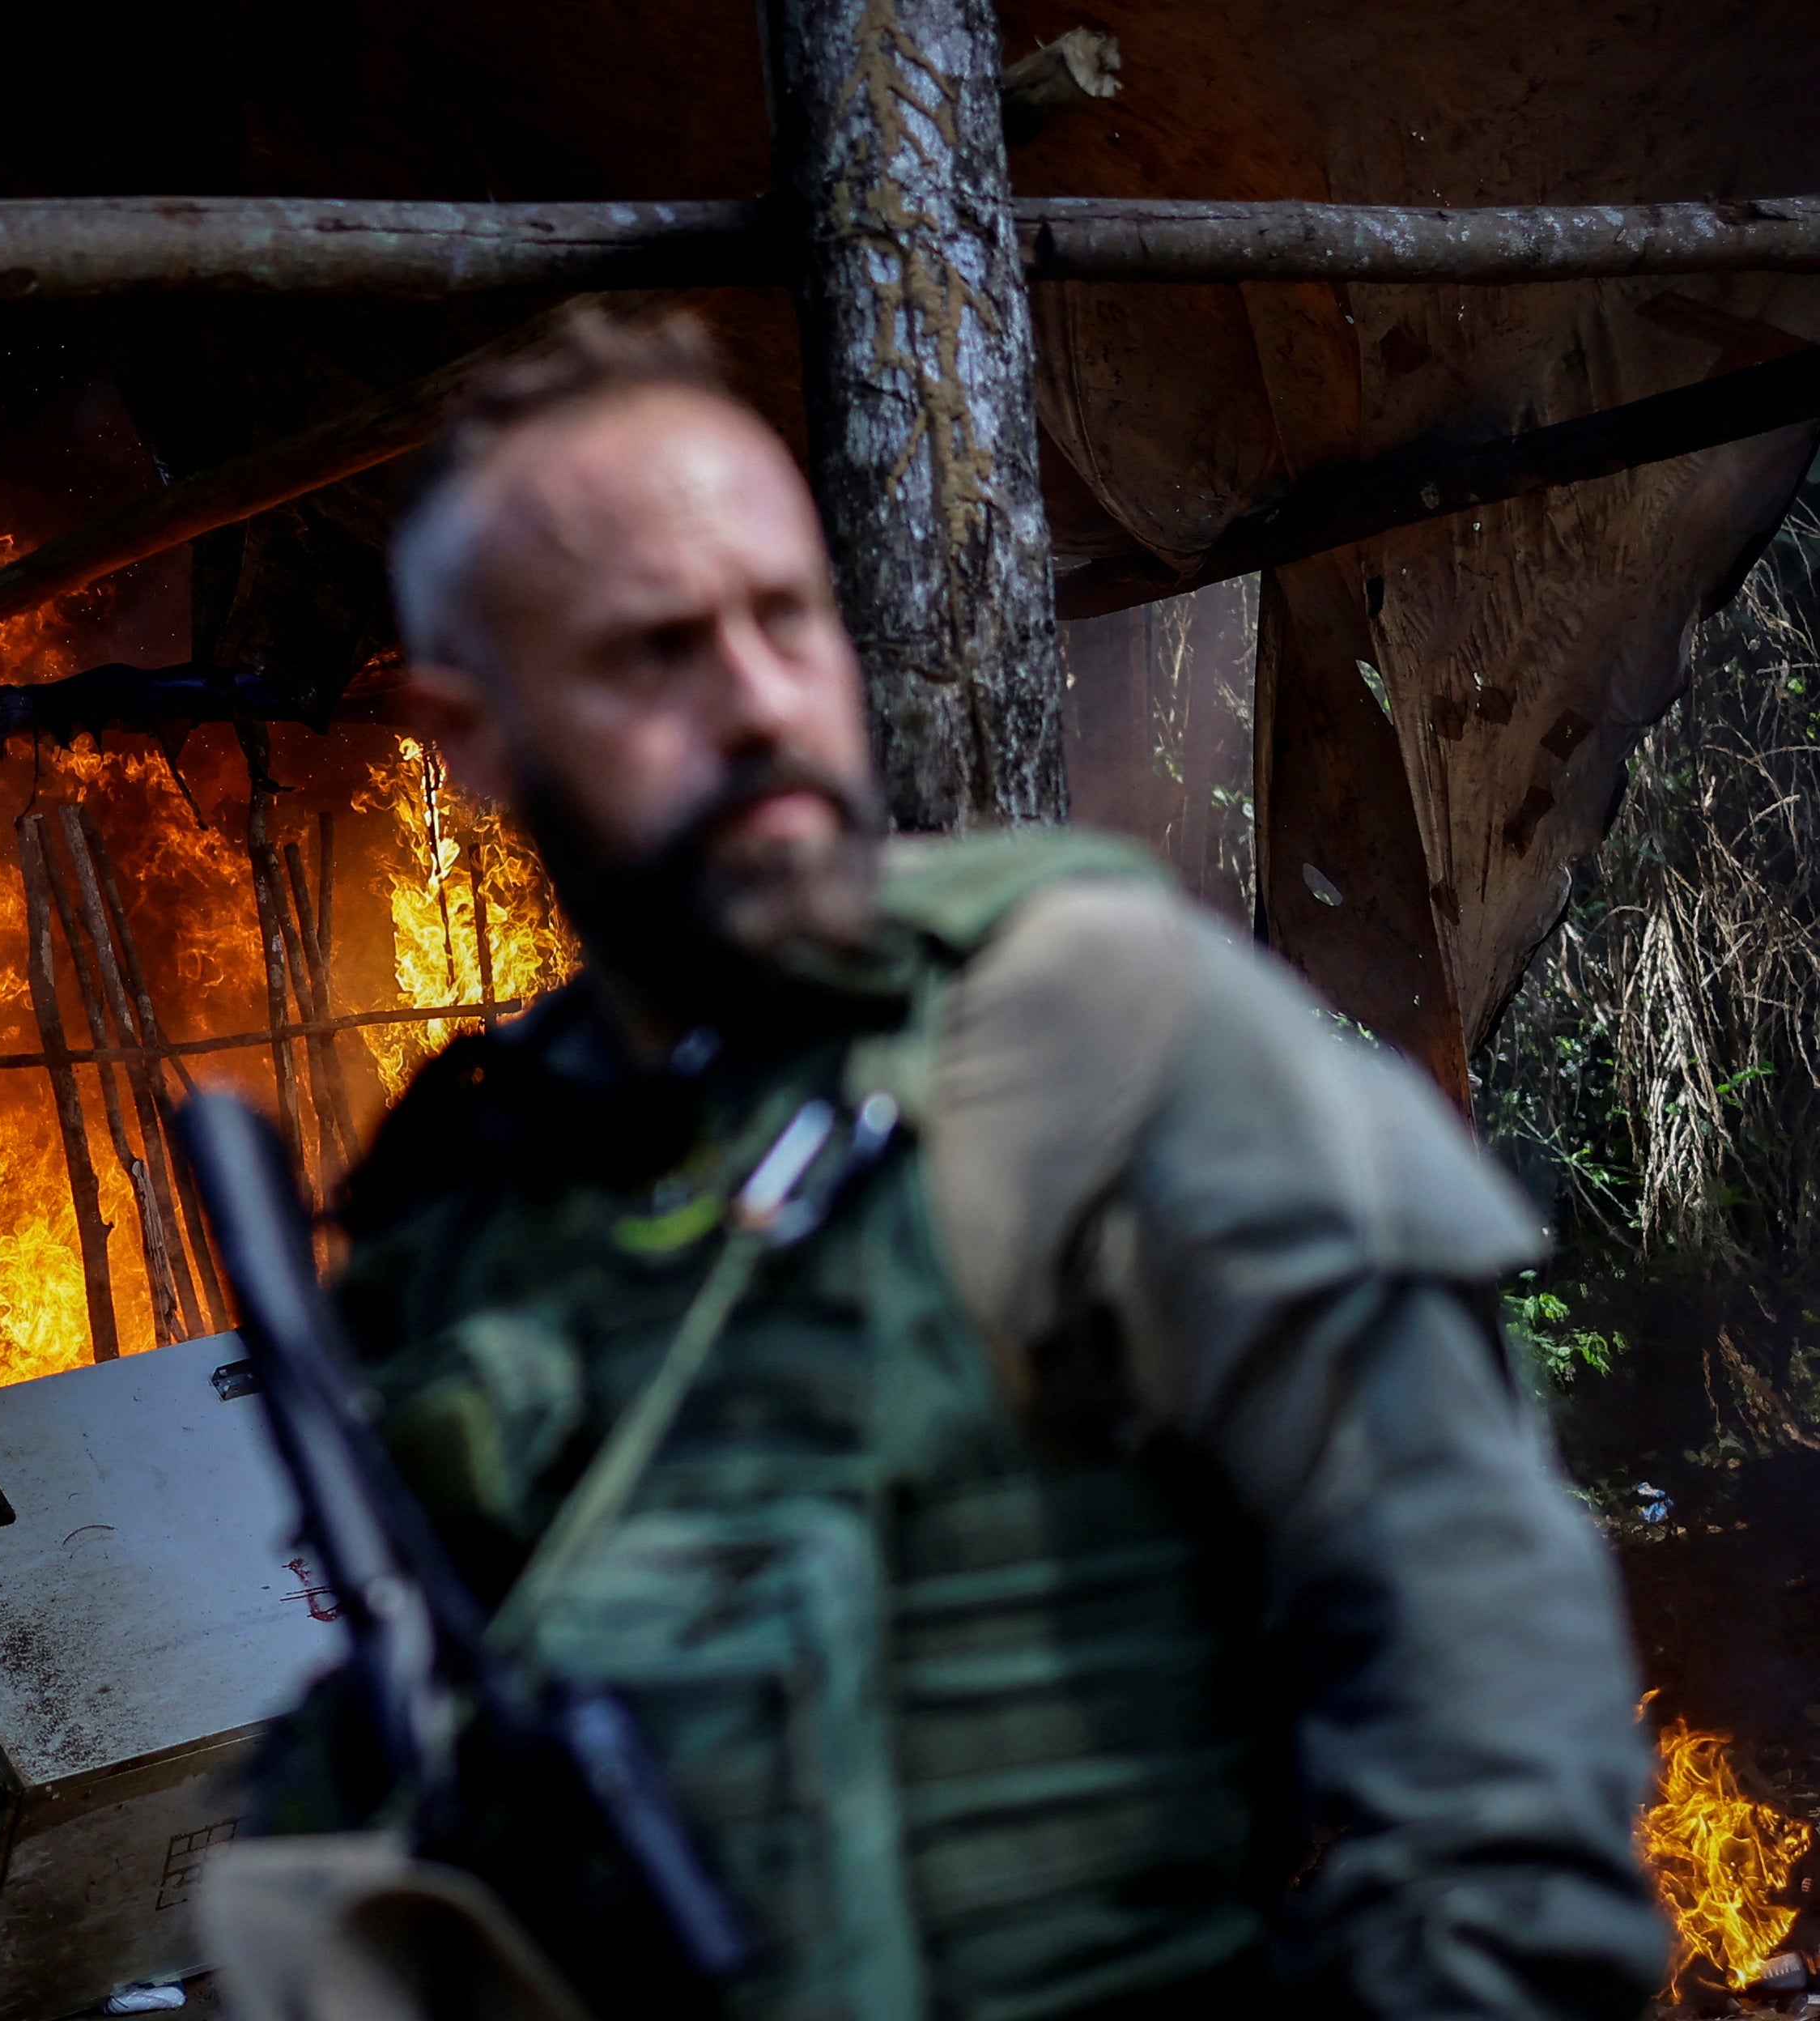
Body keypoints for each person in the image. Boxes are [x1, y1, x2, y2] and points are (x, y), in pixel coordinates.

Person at [195, 312, 1665, 2021]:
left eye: (786, 619)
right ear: (474, 736)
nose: (755, 703)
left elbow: (1514, 1830)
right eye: (651, 654)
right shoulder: (469, 1188)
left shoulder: (1097, 1030)